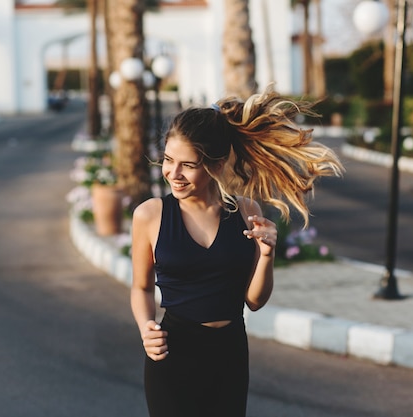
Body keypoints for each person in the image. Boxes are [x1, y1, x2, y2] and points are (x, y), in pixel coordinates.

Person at [130, 84, 343, 417]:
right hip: (172, 354)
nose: (174, 173)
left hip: (228, 354)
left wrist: (267, 255)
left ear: (215, 164)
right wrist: (146, 328)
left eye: (189, 164)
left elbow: (254, 301)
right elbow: (141, 286)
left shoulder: (245, 212)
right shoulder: (150, 215)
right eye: (169, 160)